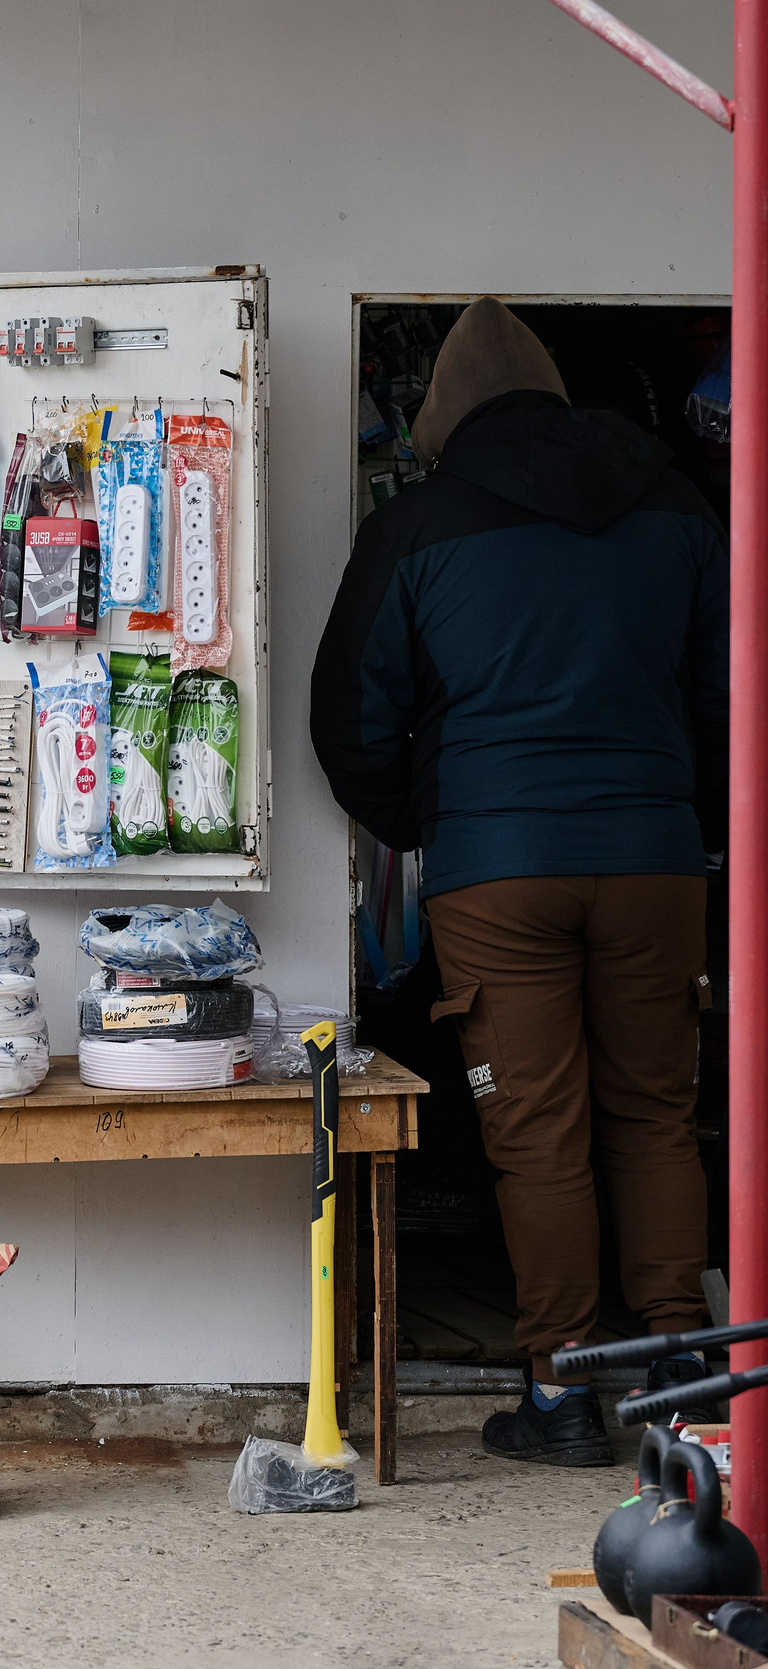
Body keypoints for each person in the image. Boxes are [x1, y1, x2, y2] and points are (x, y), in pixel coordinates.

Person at [311, 299, 728, 1468]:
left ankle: (559, 1391)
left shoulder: (417, 524)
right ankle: (682, 1375)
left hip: (496, 876)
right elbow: (728, 694)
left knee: (536, 1131)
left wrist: (428, 824)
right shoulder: (677, 509)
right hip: (653, 863)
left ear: (444, 419)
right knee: (653, 1115)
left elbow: (351, 716)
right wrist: (680, 815)